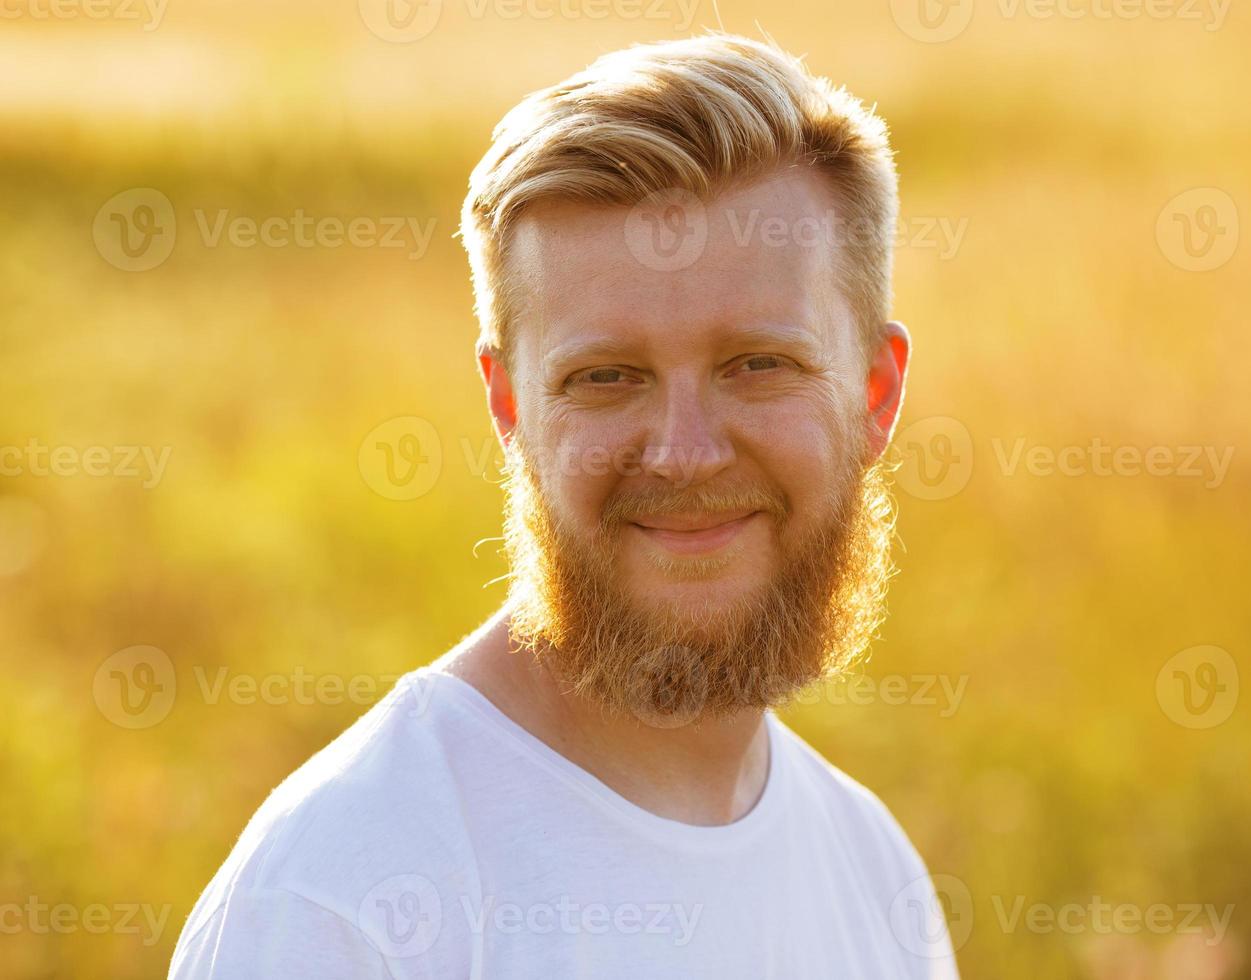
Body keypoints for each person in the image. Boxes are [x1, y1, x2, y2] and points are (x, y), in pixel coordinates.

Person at [169, 31, 959, 978]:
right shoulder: (341, 896)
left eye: (758, 364)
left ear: (875, 393)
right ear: (509, 407)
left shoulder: (876, 881)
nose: (684, 453)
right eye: (607, 376)